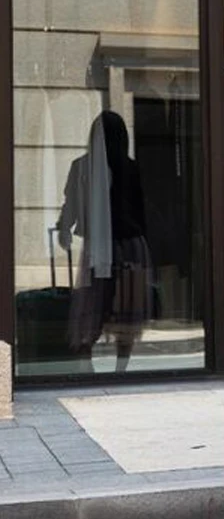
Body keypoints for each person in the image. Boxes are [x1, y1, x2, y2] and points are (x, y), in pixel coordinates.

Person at [56, 110, 153, 373]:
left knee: (92, 305)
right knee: (126, 308)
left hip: (100, 247)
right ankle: (121, 368)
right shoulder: (130, 167)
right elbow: (142, 211)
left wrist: (64, 228)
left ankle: (87, 364)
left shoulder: (82, 166)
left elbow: (71, 205)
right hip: (130, 245)